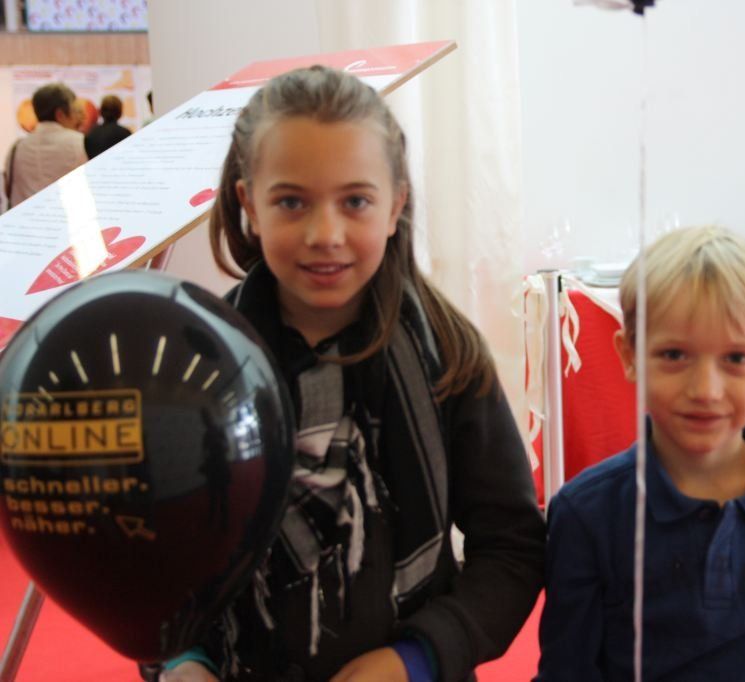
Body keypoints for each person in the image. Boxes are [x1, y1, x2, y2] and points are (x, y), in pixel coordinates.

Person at [157, 66, 545, 682]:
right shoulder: (194, 365)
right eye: (291, 202)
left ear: (396, 205)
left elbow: (512, 547)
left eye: (355, 202)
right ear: (249, 205)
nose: (325, 234)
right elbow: (156, 553)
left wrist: (415, 659)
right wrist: (183, 660)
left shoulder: (450, 356)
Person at [536, 226, 745, 681]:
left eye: (735, 359)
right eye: (674, 355)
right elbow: (567, 672)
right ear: (630, 355)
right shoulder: (586, 514)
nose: (705, 390)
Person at [2, 82, 87, 208]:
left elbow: (7, 187)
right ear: (60, 114)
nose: (80, 118)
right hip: (66, 218)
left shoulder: (17, 148)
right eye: (75, 111)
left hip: (24, 218)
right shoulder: (80, 143)